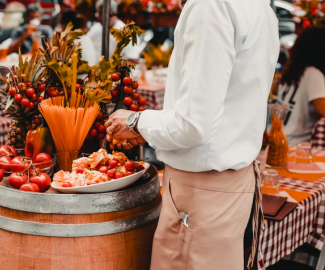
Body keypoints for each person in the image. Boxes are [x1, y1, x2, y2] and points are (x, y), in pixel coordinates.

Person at [104, 0, 279, 269]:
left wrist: (136, 121)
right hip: (231, 187)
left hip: (202, 195)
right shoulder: (258, 6)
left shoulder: (211, 6)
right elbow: (221, 109)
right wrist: (151, 129)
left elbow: (193, 125)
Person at [278, 27, 325, 145]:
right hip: (296, 148)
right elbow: (322, 109)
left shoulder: (290, 73)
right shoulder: (313, 75)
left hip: (279, 141)